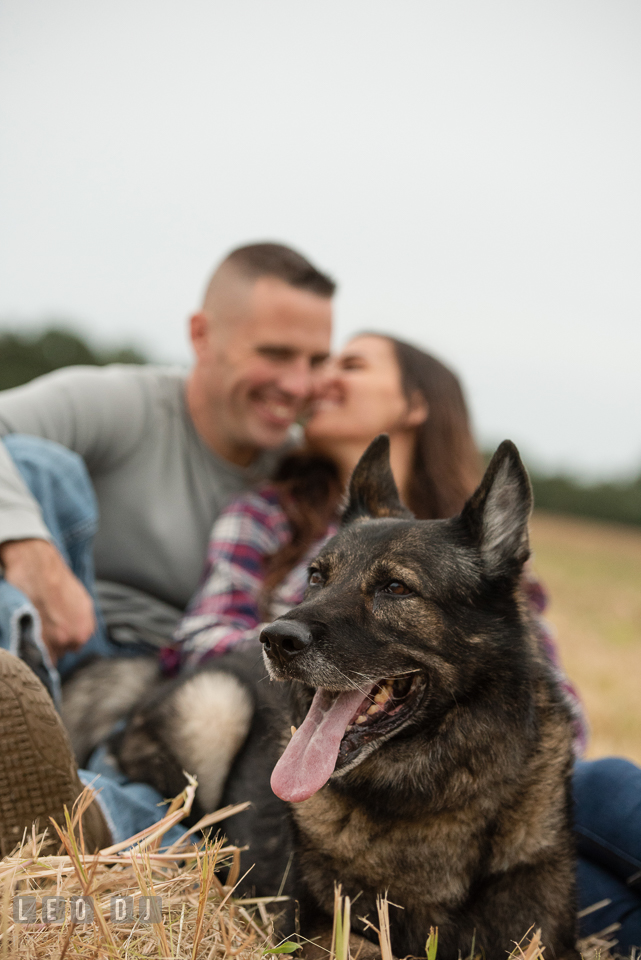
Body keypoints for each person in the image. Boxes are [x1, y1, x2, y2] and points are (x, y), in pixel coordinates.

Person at [168, 332, 640, 953]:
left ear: (416, 403)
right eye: (319, 576)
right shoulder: (271, 513)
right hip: (311, 757)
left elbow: (533, 679)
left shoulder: (471, 551)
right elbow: (214, 639)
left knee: (609, 787)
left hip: (485, 803)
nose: (322, 379)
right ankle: (123, 818)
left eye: (351, 365)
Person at [0, 241, 334, 853]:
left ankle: (84, 814)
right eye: (276, 353)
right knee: (36, 467)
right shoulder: (120, 404)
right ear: (202, 335)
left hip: (167, 693)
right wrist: (25, 543)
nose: (298, 384)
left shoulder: (301, 487)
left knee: (192, 763)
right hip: (52, 641)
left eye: (317, 360)